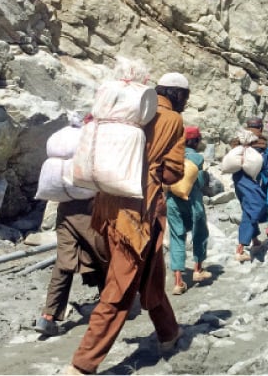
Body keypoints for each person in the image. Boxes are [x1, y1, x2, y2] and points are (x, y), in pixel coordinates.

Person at [67, 72, 189, 374]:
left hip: (107, 206)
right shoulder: (172, 120)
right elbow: (173, 173)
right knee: (120, 289)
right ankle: (83, 364)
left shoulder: (129, 111)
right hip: (138, 215)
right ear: (178, 96)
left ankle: (169, 335)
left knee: (151, 275)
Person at [34, 199, 109, 337]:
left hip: (65, 211)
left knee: (64, 261)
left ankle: (47, 317)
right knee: (101, 253)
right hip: (90, 209)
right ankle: (110, 305)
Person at [167, 126, 210, 295]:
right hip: (193, 202)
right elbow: (198, 182)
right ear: (196, 141)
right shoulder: (197, 157)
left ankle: (178, 282)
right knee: (200, 233)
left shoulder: (172, 155)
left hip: (172, 202)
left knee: (177, 237)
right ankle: (198, 270)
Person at [231, 128, 268, 262]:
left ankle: (255, 240)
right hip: (247, 183)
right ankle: (240, 248)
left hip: (239, 182)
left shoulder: (239, 152)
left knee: (249, 207)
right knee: (255, 207)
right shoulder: (253, 151)